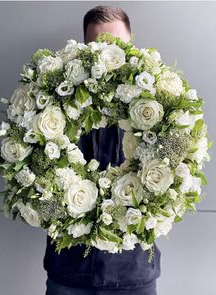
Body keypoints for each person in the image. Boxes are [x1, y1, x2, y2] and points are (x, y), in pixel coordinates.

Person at [44, 5, 161, 295]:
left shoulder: (157, 104)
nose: (110, 56)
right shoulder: (54, 101)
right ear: (85, 48)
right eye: (99, 46)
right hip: (68, 272)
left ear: (132, 43)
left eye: (118, 45)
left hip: (134, 273)